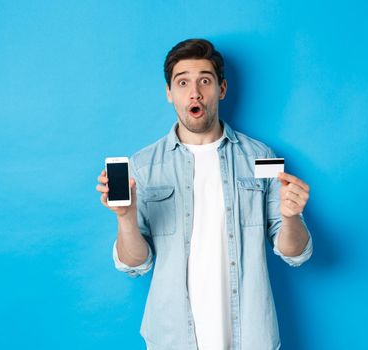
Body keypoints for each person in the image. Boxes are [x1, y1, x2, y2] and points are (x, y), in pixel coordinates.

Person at [96, 38, 313, 350]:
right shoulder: (143, 166)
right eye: (182, 82)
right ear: (169, 93)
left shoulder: (260, 157)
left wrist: (291, 218)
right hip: (173, 339)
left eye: (205, 81)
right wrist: (126, 219)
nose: (194, 92)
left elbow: (295, 253)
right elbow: (135, 265)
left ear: (221, 89)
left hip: (250, 337)